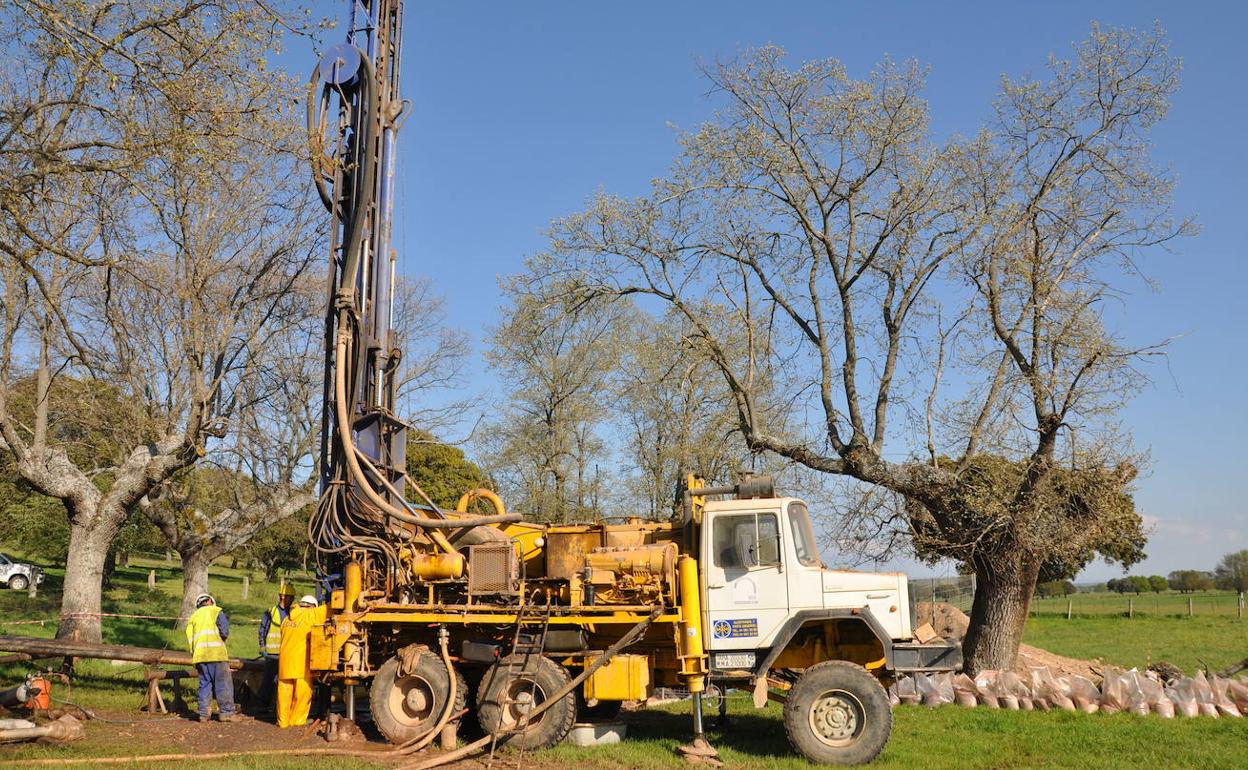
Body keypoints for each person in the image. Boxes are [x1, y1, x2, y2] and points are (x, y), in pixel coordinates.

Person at [184, 593, 238, 722]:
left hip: (200, 657)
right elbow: (224, 630)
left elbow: (190, 638)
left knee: (204, 684)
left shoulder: (193, 617)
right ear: (209, 601)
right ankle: (226, 713)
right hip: (216, 654)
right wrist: (221, 640)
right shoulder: (216, 611)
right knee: (223, 684)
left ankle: (203, 714)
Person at [276, 594, 326, 728]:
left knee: (284, 693)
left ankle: (283, 722)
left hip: (284, 663)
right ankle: (297, 722)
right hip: (300, 664)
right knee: (302, 694)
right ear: (312, 607)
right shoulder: (310, 615)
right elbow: (331, 607)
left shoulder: (287, 619)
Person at [257, 582, 295, 712]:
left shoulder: (294, 612)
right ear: (283, 597)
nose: (292, 600)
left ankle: (279, 707)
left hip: (288, 653)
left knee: (284, 683)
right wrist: (262, 646)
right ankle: (263, 705)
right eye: (290, 597)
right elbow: (263, 629)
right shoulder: (271, 612)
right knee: (268, 681)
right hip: (273, 654)